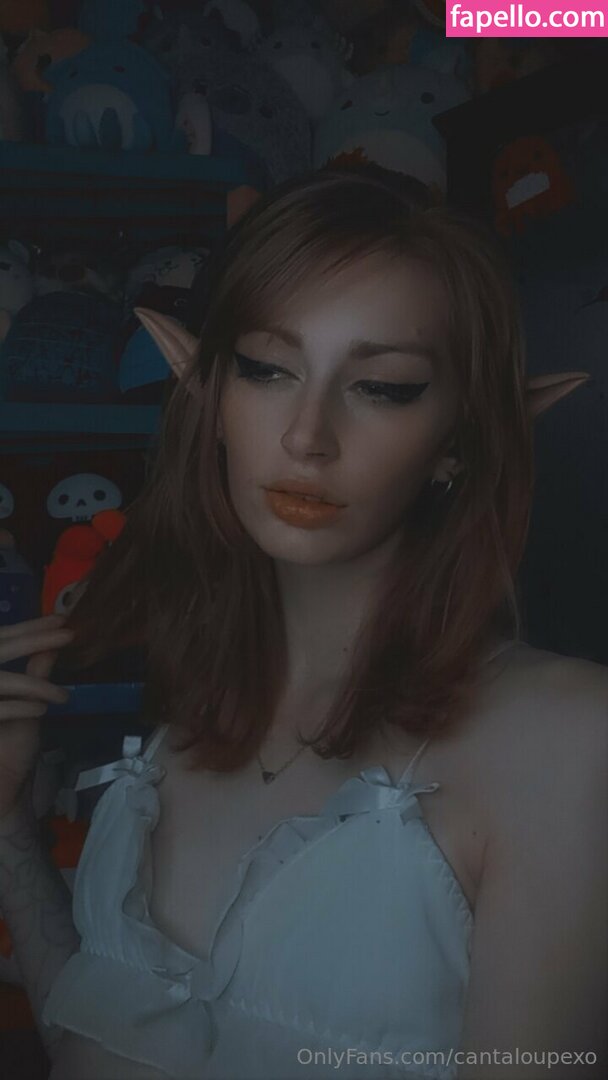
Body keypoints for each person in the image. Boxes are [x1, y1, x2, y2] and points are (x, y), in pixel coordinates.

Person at [0, 166, 606, 1080]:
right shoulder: (188, 719)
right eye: (267, 369)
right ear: (210, 395)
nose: (306, 436)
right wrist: (7, 825)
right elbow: (100, 1046)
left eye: (383, 387)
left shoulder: (565, 737)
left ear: (458, 441)